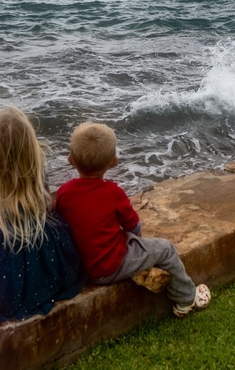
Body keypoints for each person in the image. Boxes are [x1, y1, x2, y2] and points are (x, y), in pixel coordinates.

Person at [54, 122, 211, 317]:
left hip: (80, 268)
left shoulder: (64, 192)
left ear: (70, 160)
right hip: (107, 268)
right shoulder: (113, 193)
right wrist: (136, 242)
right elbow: (133, 226)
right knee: (166, 249)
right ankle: (186, 299)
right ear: (113, 162)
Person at [0, 106, 84, 321]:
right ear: (31, 148)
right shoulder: (38, 173)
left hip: (6, 273)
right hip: (44, 257)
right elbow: (48, 205)